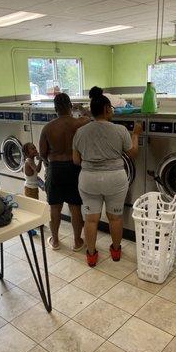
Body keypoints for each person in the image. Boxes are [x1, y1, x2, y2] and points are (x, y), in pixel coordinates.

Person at [73, 94, 142, 267]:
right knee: (115, 218)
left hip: (88, 179)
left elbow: (76, 160)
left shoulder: (80, 131)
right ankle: (116, 251)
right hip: (115, 180)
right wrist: (135, 134)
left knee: (90, 220)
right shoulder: (120, 130)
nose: (111, 110)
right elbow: (133, 154)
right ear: (105, 109)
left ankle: (91, 255)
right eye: (110, 108)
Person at [40, 93, 91, 251]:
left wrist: (49, 164)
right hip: (74, 168)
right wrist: (81, 108)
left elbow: (42, 153)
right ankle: (77, 241)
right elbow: (91, 117)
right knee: (75, 206)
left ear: (55, 109)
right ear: (70, 106)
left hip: (55, 169)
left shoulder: (48, 128)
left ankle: (55, 241)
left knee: (55, 207)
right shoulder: (79, 123)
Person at [22, 142, 43, 236]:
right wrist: (41, 160)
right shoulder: (29, 161)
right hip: (30, 189)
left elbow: (34, 176)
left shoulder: (31, 159)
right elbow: (37, 170)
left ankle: (36, 223)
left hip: (32, 187)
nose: (35, 149)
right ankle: (29, 229)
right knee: (32, 209)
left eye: (35, 148)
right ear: (27, 152)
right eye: (32, 149)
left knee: (34, 206)